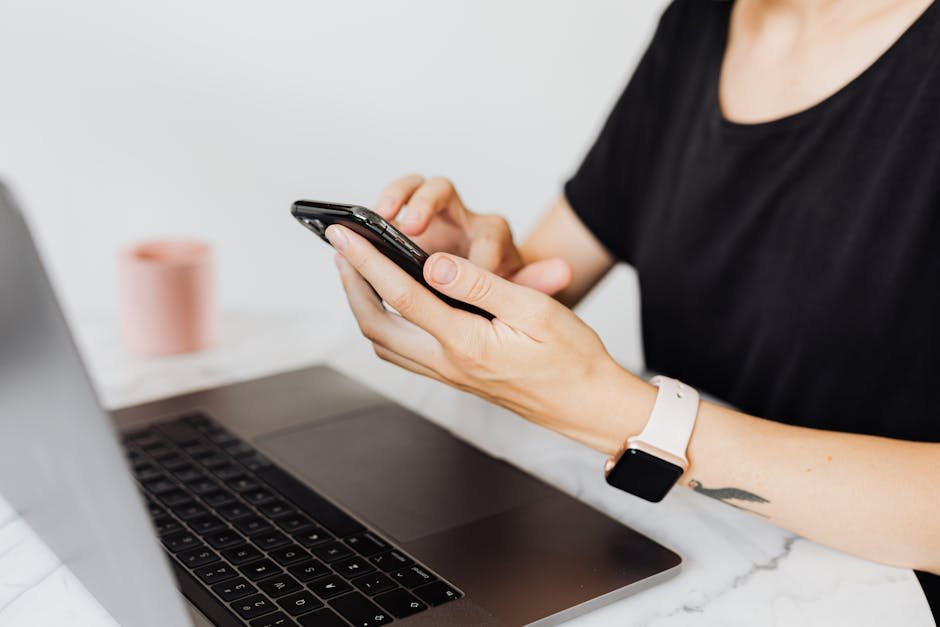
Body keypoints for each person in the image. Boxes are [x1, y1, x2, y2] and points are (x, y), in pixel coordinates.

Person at [326, 0, 940, 617]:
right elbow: (551, 271)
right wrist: (465, 274)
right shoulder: (699, 22)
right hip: (688, 560)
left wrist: (627, 416)